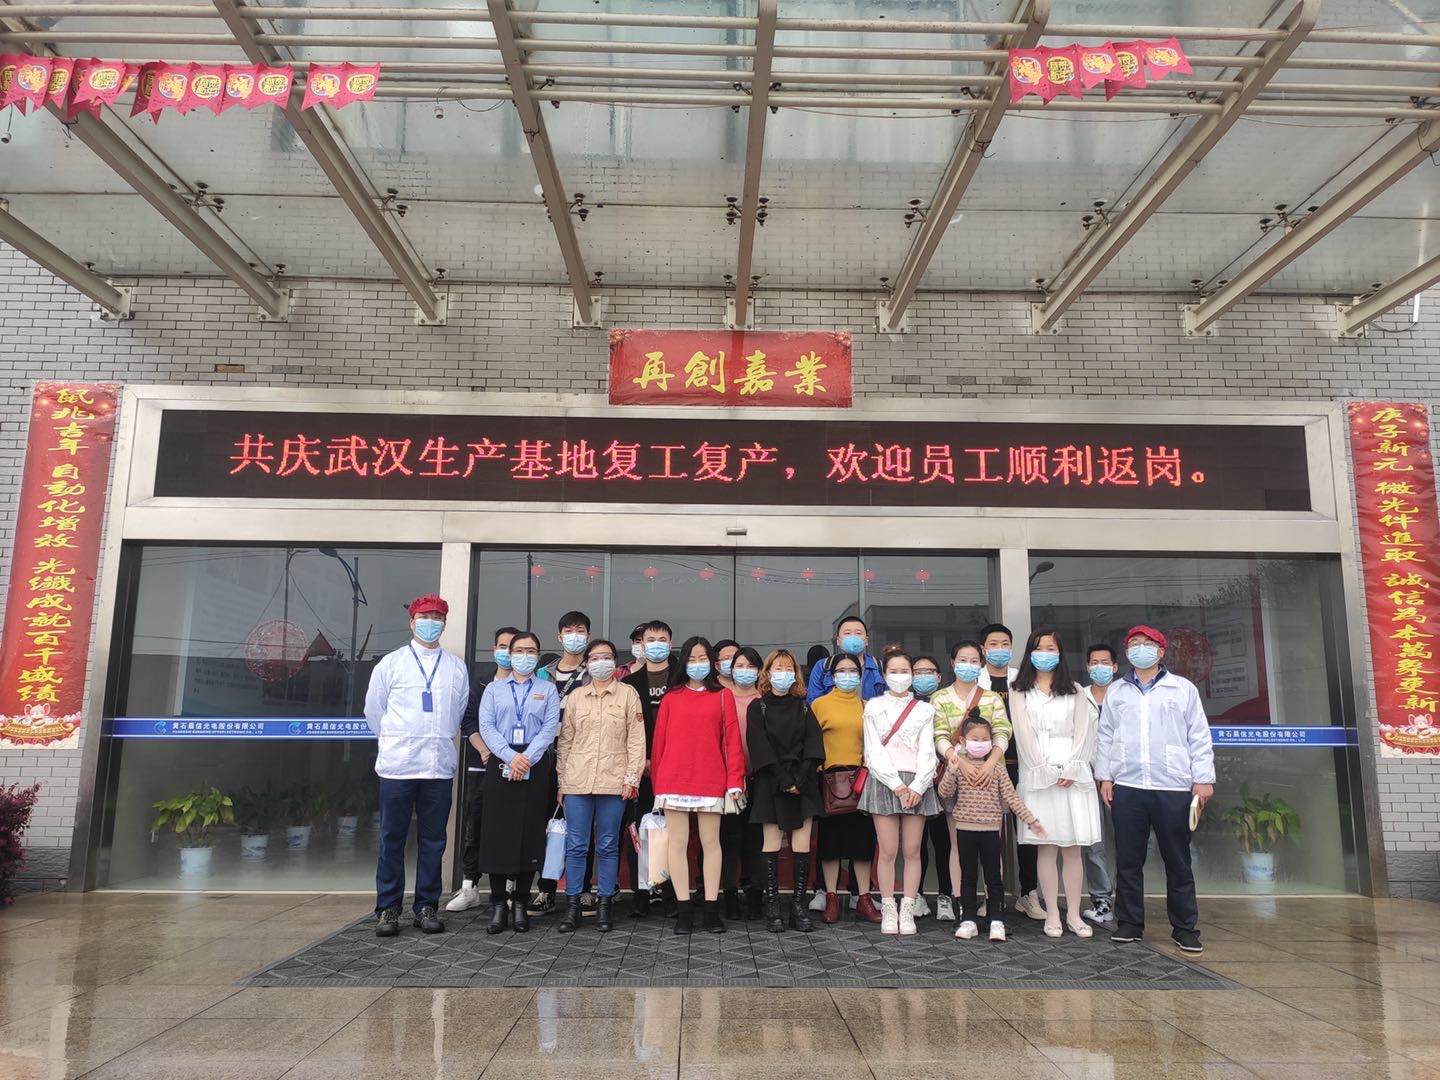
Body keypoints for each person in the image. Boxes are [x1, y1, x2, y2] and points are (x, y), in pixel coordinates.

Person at [1098, 625, 1215, 954]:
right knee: (1128, 859)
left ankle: (1185, 927)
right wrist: (1105, 777)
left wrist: (1203, 778)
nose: (1140, 648)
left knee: (1178, 860)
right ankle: (1129, 922)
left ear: (1161, 651)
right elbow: (1105, 736)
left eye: (1146, 643)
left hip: (1172, 785)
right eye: (1133, 644)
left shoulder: (1182, 689)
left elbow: (1199, 735)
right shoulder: (1117, 691)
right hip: (1128, 785)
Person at [365, 593, 470, 937]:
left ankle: (426, 906)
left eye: (437, 617)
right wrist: (397, 740)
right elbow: (374, 712)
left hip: (437, 767)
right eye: (425, 617)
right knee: (391, 838)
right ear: (412, 622)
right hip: (398, 767)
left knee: (434, 841)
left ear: (445, 623)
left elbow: (458, 712)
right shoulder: (391, 664)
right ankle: (388, 908)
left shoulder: (455, 667)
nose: (431, 623)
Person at [650, 636, 746, 934]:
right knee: (677, 844)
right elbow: (659, 744)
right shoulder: (671, 697)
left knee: (711, 843)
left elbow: (732, 742)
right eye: (691, 659)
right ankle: (684, 910)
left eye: (702, 658)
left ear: (712, 662)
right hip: (673, 779)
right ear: (683, 663)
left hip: (711, 778)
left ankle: (711, 909)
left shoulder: (723, 696)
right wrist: (657, 785)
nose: (697, 664)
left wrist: (735, 781)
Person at [1010, 628, 1102, 938]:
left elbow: (1083, 733)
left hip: (1073, 774)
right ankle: (1052, 913)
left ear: (1060, 653)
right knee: (1046, 847)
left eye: (1051, 648)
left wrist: (1072, 767)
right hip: (1038, 774)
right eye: (1039, 648)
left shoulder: (1075, 690)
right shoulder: (1019, 690)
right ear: (1029, 652)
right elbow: (1023, 735)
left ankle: (1073, 913)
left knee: (1073, 848)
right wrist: (1043, 769)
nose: (1045, 654)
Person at [556, 639, 645, 934]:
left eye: (606, 657)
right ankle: (573, 906)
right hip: (577, 782)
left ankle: (605, 904)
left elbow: (636, 740)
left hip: (614, 783)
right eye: (594, 658)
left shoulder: (628, 695)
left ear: (614, 661)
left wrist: (631, 779)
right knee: (576, 845)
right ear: (587, 663)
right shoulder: (576, 697)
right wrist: (562, 781)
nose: (600, 662)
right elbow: (565, 742)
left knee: (608, 845)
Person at [476, 630, 561, 934]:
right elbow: (486, 726)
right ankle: (499, 903)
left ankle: (522, 901)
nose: (525, 656)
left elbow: (550, 727)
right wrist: (511, 757)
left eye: (531, 651)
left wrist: (527, 758)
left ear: (538, 656)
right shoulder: (494, 689)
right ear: (510, 655)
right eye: (519, 651)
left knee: (529, 833)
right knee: (497, 834)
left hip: (535, 766)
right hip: (502, 763)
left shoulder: (547, 689)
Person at [938, 711, 1044, 942]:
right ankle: (968, 919)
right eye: (974, 739)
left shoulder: (997, 769)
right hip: (964, 830)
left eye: (985, 739)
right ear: (963, 741)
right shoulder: (958, 767)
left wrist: (1031, 820)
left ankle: (997, 920)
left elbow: (1012, 797)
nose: (980, 743)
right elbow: (944, 793)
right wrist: (952, 769)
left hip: (991, 831)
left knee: (994, 877)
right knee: (968, 877)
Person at [861, 646, 941, 936]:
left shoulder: (924, 710)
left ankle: (907, 907)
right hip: (885, 781)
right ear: (884, 675)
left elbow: (928, 751)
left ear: (912, 675)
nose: (899, 676)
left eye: (904, 671)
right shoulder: (873, 707)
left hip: (917, 782)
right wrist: (896, 785)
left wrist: (918, 786)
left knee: (912, 850)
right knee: (887, 850)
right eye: (893, 671)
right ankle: (888, 908)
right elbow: (873, 751)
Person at [931, 640, 1010, 922]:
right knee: (958, 844)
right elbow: (939, 735)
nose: (968, 665)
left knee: (993, 846)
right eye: (962, 660)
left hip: (990, 780)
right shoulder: (939, 698)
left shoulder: (992, 698)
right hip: (957, 780)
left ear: (981, 663)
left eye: (974, 660)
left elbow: (1002, 733)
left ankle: (993, 904)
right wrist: (960, 762)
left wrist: (990, 764)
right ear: (953, 663)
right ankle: (962, 903)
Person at [747, 649, 825, 933]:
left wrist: (800, 779)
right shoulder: (758, 707)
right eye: (777, 668)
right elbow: (759, 746)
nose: (783, 673)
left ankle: (798, 907)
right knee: (770, 843)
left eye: (788, 668)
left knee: (801, 846)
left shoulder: (804, 707)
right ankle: (772, 907)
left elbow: (814, 745)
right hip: (771, 781)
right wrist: (782, 778)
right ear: (767, 673)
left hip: (804, 783)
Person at [446, 625, 517, 914]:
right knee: (475, 827)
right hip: (482, 765)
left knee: (511, 828)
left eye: (512, 647)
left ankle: (511, 887)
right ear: (494, 649)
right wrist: (486, 751)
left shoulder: (530, 685)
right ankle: (470, 886)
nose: (506, 651)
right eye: (502, 646)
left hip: (514, 767)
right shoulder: (482, 684)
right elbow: (469, 721)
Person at [812, 653, 881, 924]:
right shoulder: (819, 705)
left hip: (860, 781)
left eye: (853, 670)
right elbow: (811, 743)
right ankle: (831, 897)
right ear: (831, 676)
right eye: (841, 670)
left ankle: (863, 898)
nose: (847, 675)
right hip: (829, 781)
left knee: (862, 843)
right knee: (830, 844)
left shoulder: (867, 706)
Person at [979, 621, 1042, 921]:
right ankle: (992, 896)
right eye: (993, 644)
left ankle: (1028, 894)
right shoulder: (976, 682)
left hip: (1023, 767)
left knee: (1026, 834)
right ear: (983, 649)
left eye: (1005, 644)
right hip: (988, 768)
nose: (1000, 649)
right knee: (991, 835)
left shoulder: (1024, 680)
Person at [621, 620, 677, 917]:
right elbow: (625, 728)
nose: (656, 644)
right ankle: (641, 895)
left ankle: (671, 896)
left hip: (675, 768)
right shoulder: (630, 683)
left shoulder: (682, 678)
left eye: (662, 639)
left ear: (670, 643)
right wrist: (641, 759)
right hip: (639, 769)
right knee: (638, 831)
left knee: (673, 834)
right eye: (650, 639)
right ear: (641, 645)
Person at [722, 646, 765, 919]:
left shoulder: (765, 700)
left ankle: (755, 895)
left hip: (759, 779)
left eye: (750, 666)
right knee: (729, 840)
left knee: (756, 840)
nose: (745, 671)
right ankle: (729, 895)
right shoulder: (721, 698)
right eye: (739, 665)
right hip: (728, 781)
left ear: (759, 671)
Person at [1081, 643, 1118, 925]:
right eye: (1094, 662)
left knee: (1126, 839)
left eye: (1105, 662)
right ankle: (1101, 899)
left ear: (1115, 667)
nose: (1099, 667)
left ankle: (1128, 898)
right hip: (1089, 776)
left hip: (1124, 777)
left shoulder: (1126, 695)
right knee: (1094, 841)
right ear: (1087, 667)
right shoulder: (1079, 697)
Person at [912, 654, 946, 920]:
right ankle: (917, 895)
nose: (923, 676)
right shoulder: (905, 704)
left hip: (944, 781)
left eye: (929, 671)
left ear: (939, 676)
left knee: (944, 841)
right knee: (916, 843)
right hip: (915, 782)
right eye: (918, 672)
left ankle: (946, 895)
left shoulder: (946, 701)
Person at [806, 615, 885, 702]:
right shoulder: (823, 666)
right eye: (847, 633)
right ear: (838, 641)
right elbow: (814, 702)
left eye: (858, 633)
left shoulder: (879, 667)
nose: (853, 637)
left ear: (866, 641)